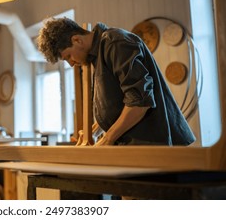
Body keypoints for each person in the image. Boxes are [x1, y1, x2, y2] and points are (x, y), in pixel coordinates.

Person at [37, 17, 196, 146]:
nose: (71, 63)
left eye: (68, 56)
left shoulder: (115, 43)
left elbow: (140, 102)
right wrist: (93, 131)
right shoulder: (97, 55)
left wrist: (107, 139)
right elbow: (120, 103)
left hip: (151, 145)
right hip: (135, 146)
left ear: (77, 40)